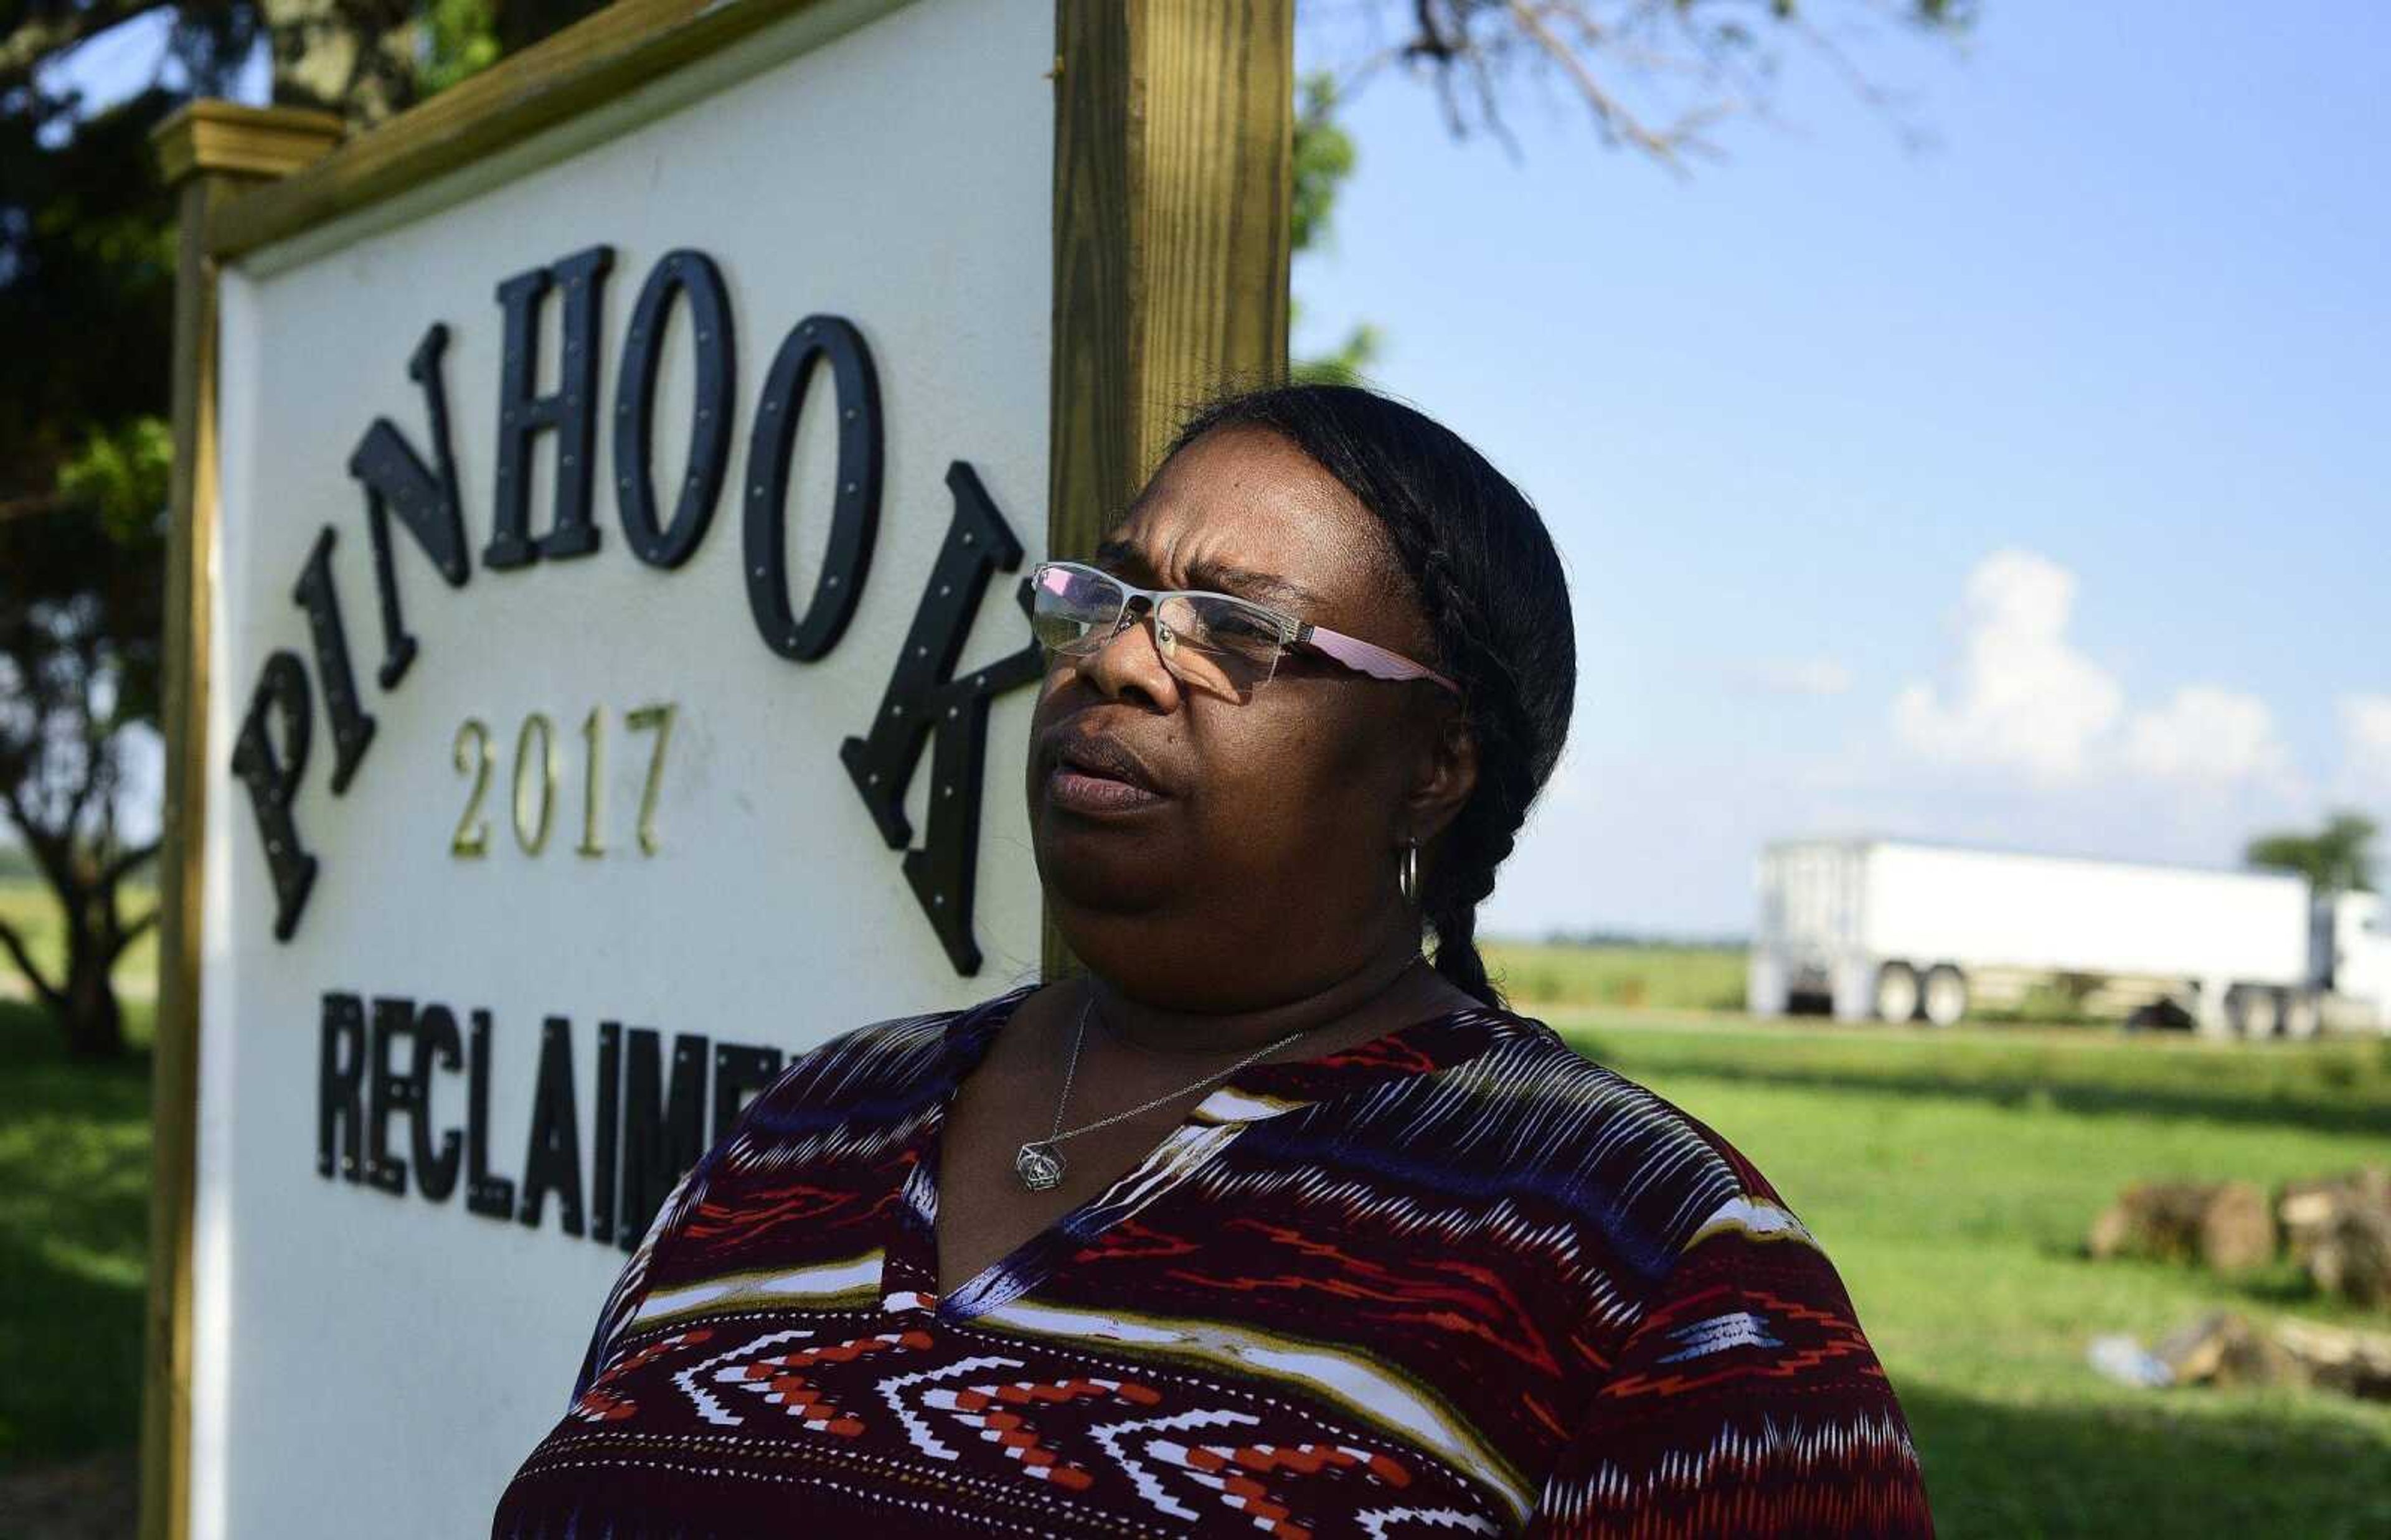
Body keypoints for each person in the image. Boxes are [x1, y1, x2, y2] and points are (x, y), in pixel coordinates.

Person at [492, 383, 1933, 1538]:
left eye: (1233, 629)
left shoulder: (1636, 1254)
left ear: (1434, 765)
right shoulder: (812, 1121)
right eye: (1107, 598)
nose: (1118, 661)